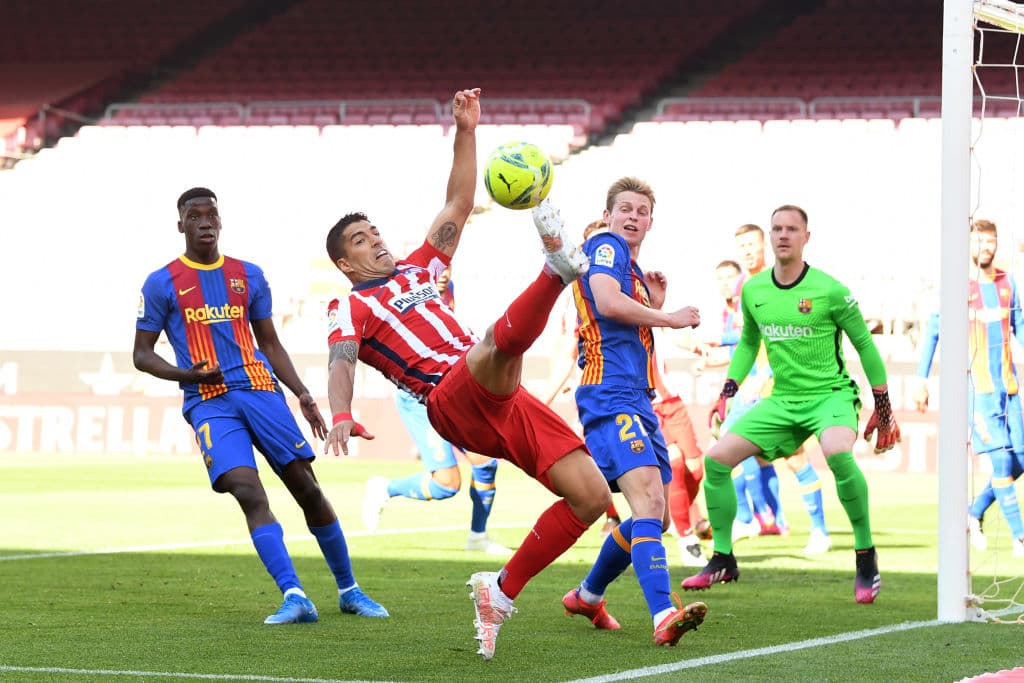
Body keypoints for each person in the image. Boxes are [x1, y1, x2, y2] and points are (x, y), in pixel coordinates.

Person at [322, 88, 632, 661]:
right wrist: (341, 413)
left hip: (498, 395)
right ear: (345, 264)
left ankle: (500, 590)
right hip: (449, 397)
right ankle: (556, 269)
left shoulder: (421, 265)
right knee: (492, 343)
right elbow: (341, 363)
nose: (378, 242)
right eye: (362, 241)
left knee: (589, 498)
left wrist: (466, 130)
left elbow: (459, 203)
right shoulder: (348, 307)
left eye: (375, 232)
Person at [133, 186, 388, 625]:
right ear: (181, 225)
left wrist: (302, 393)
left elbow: (269, 341)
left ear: (221, 220)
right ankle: (294, 595)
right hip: (208, 402)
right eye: (194, 216)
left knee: (306, 488)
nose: (205, 222)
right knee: (246, 489)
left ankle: (349, 590)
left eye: (211, 214)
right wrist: (187, 375)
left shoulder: (248, 275)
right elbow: (142, 354)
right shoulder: (161, 283)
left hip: (260, 391)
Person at [681, 204, 900, 604]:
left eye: (791, 229)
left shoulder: (830, 290)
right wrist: (728, 389)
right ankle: (723, 559)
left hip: (830, 396)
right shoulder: (754, 290)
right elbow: (749, 342)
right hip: (782, 401)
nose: (783, 235)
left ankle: (865, 555)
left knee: (836, 453)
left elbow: (865, 344)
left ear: (806, 237)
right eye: (777, 228)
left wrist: (882, 405)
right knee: (716, 460)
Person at [560, 176, 708, 643]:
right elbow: (604, 301)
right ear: (608, 215)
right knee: (646, 501)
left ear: (650, 222)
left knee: (657, 515)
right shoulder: (603, 244)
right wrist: (668, 316)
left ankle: (587, 595)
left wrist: (651, 300)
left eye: (641, 212)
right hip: (609, 392)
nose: (632, 217)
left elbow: (620, 314)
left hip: (636, 398)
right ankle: (664, 614)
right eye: (624, 208)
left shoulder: (633, 270)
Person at [362, 265, 511, 556]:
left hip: (449, 390)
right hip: (419, 397)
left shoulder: (446, 291)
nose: (443, 273)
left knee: (485, 460)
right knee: (447, 485)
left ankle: (478, 536)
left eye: (448, 268)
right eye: (438, 268)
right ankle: (385, 488)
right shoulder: (405, 292)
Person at [912, 219, 1024, 557]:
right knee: (1002, 464)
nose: (986, 247)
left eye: (990, 241)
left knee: (1020, 459)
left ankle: (973, 512)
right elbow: (933, 332)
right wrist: (922, 380)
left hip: (1009, 387)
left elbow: (1019, 326)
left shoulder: (1007, 283)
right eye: (979, 242)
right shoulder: (958, 286)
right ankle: (1020, 537)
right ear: (969, 245)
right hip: (977, 390)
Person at [728, 224, 832, 553]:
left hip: (782, 383)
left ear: (766, 246)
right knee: (734, 450)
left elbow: (792, 337)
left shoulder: (781, 283)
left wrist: (765, 373)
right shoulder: (746, 287)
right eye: (741, 245)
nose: (746, 250)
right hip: (755, 384)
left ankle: (819, 532)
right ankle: (751, 518)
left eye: (752, 244)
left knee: (794, 457)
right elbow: (750, 338)